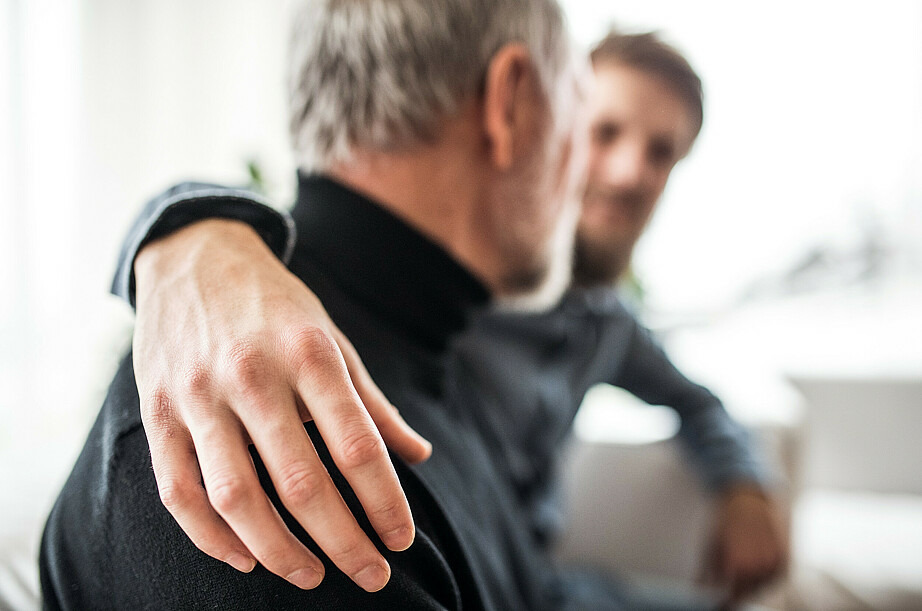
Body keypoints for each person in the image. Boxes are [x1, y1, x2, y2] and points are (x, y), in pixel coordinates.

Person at [98, 27, 787, 606]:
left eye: (662, 152)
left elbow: (696, 400)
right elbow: (329, 234)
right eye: (600, 129)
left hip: (532, 574)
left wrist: (745, 481)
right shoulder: (455, 284)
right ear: (518, 109)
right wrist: (181, 237)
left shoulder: (608, 322)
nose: (630, 170)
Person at [41, 0, 606, 608]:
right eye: (583, 104)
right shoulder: (247, 441)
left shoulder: (432, 350)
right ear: (511, 103)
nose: (592, 167)